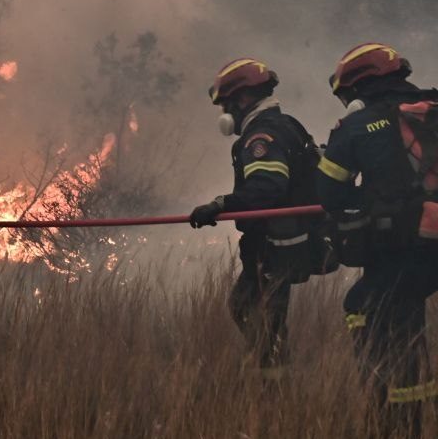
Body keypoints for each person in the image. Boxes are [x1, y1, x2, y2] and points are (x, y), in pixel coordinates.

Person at [317, 43, 438, 437]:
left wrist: (368, 195)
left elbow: (329, 193)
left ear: (361, 87)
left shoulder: (357, 126)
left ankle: (396, 417)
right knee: (398, 313)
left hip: (402, 245)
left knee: (369, 308)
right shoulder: (433, 108)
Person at [188, 58, 328, 380]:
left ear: (241, 99)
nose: (226, 113)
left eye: (226, 104)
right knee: (246, 305)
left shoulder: (261, 136)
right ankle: (270, 365)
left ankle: (274, 384)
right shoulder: (286, 124)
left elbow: (267, 189)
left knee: (264, 315)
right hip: (288, 241)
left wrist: (220, 204)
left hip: (275, 246)